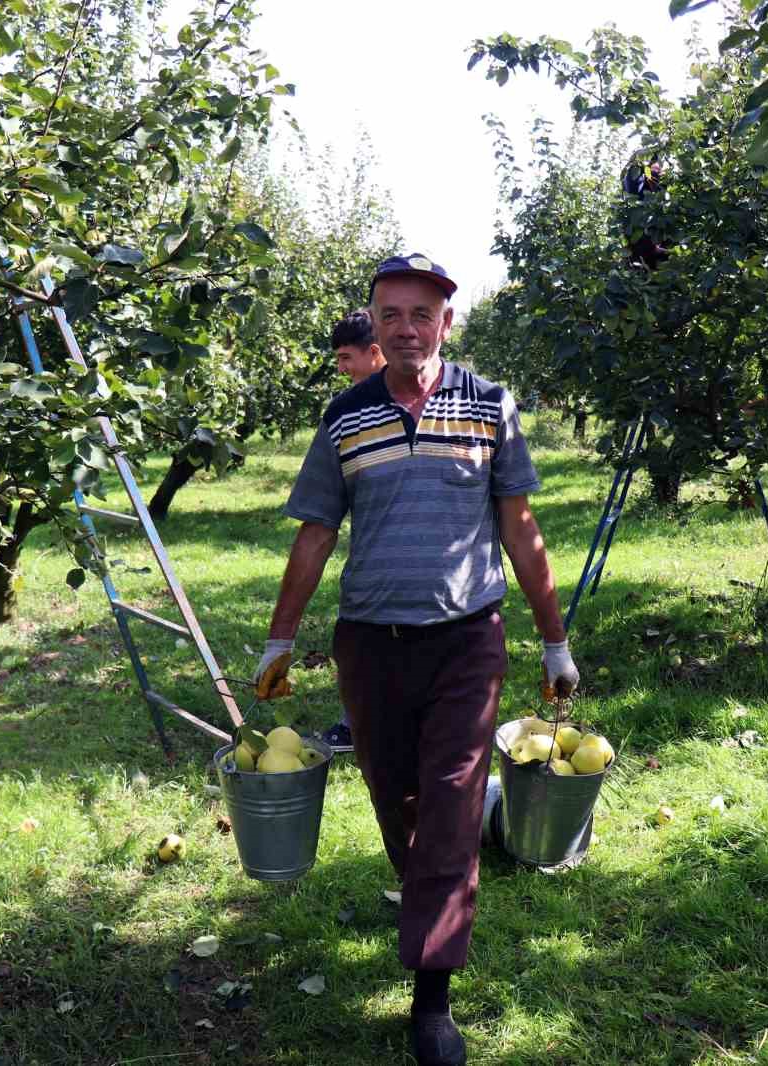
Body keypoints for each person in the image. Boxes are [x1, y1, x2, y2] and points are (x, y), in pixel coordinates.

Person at [253, 254, 579, 1066]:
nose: (406, 328)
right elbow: (317, 532)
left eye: (421, 314)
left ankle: (432, 996)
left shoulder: (490, 405)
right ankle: (428, 888)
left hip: (466, 638)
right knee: (395, 793)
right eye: (391, 314)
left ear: (446, 323)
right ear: (373, 321)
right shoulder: (346, 415)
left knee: (451, 805)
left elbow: (520, 529)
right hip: (370, 642)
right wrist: (280, 639)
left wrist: (555, 641)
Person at [315, 308, 388, 753]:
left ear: (374, 353)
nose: (341, 368)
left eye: (346, 358)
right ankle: (356, 724)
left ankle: (363, 726)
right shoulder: (348, 411)